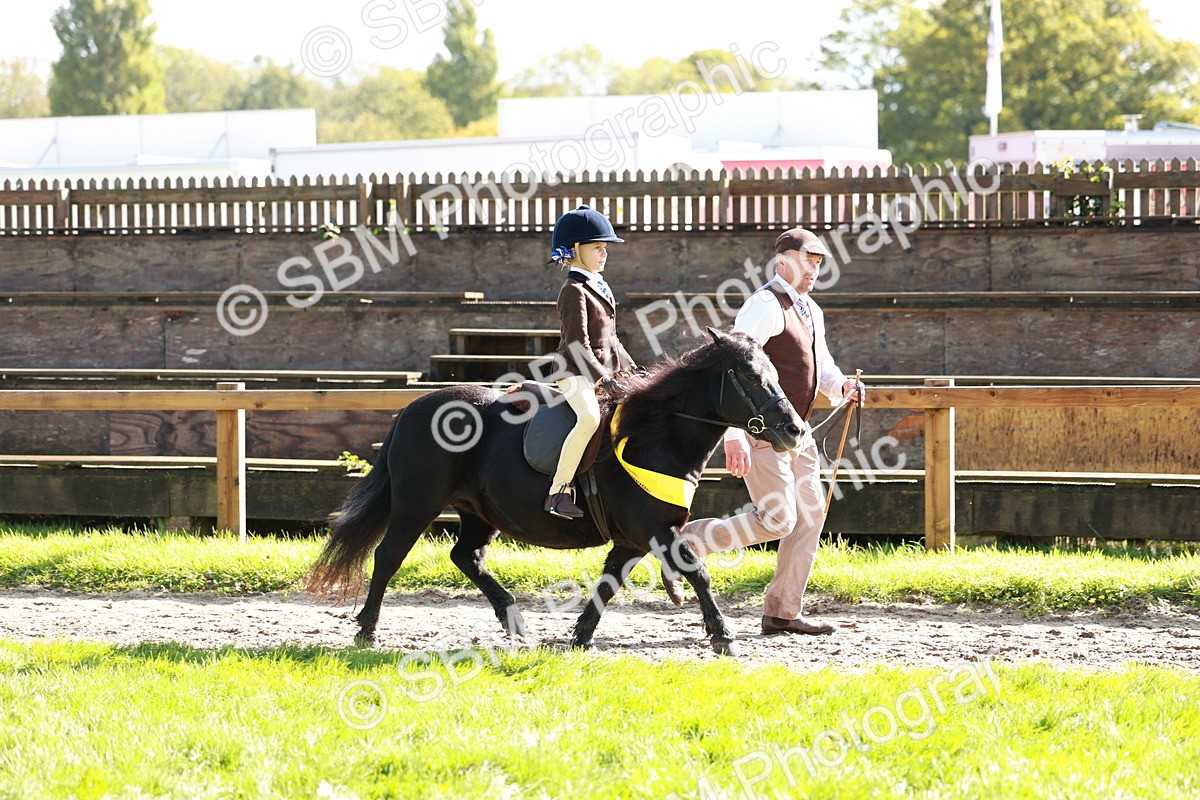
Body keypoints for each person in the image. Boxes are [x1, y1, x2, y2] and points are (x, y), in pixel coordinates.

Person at [675, 227, 865, 634]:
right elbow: (733, 370)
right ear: (783, 261)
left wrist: (842, 386)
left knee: (810, 515)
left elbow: (823, 365)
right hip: (762, 432)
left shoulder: (811, 310)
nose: (814, 269)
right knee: (778, 520)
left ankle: (781, 610)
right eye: (807, 260)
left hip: (799, 431)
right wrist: (734, 434)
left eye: (818, 262)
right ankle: (690, 542)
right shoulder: (763, 305)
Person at [544, 205, 637, 519]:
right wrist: (603, 379)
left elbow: (612, 339)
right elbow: (576, 343)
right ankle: (558, 491)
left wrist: (632, 369)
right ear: (575, 250)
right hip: (574, 372)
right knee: (589, 419)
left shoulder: (598, 285)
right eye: (597, 247)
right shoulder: (573, 291)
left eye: (605, 247)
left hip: (602, 370)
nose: (604, 253)